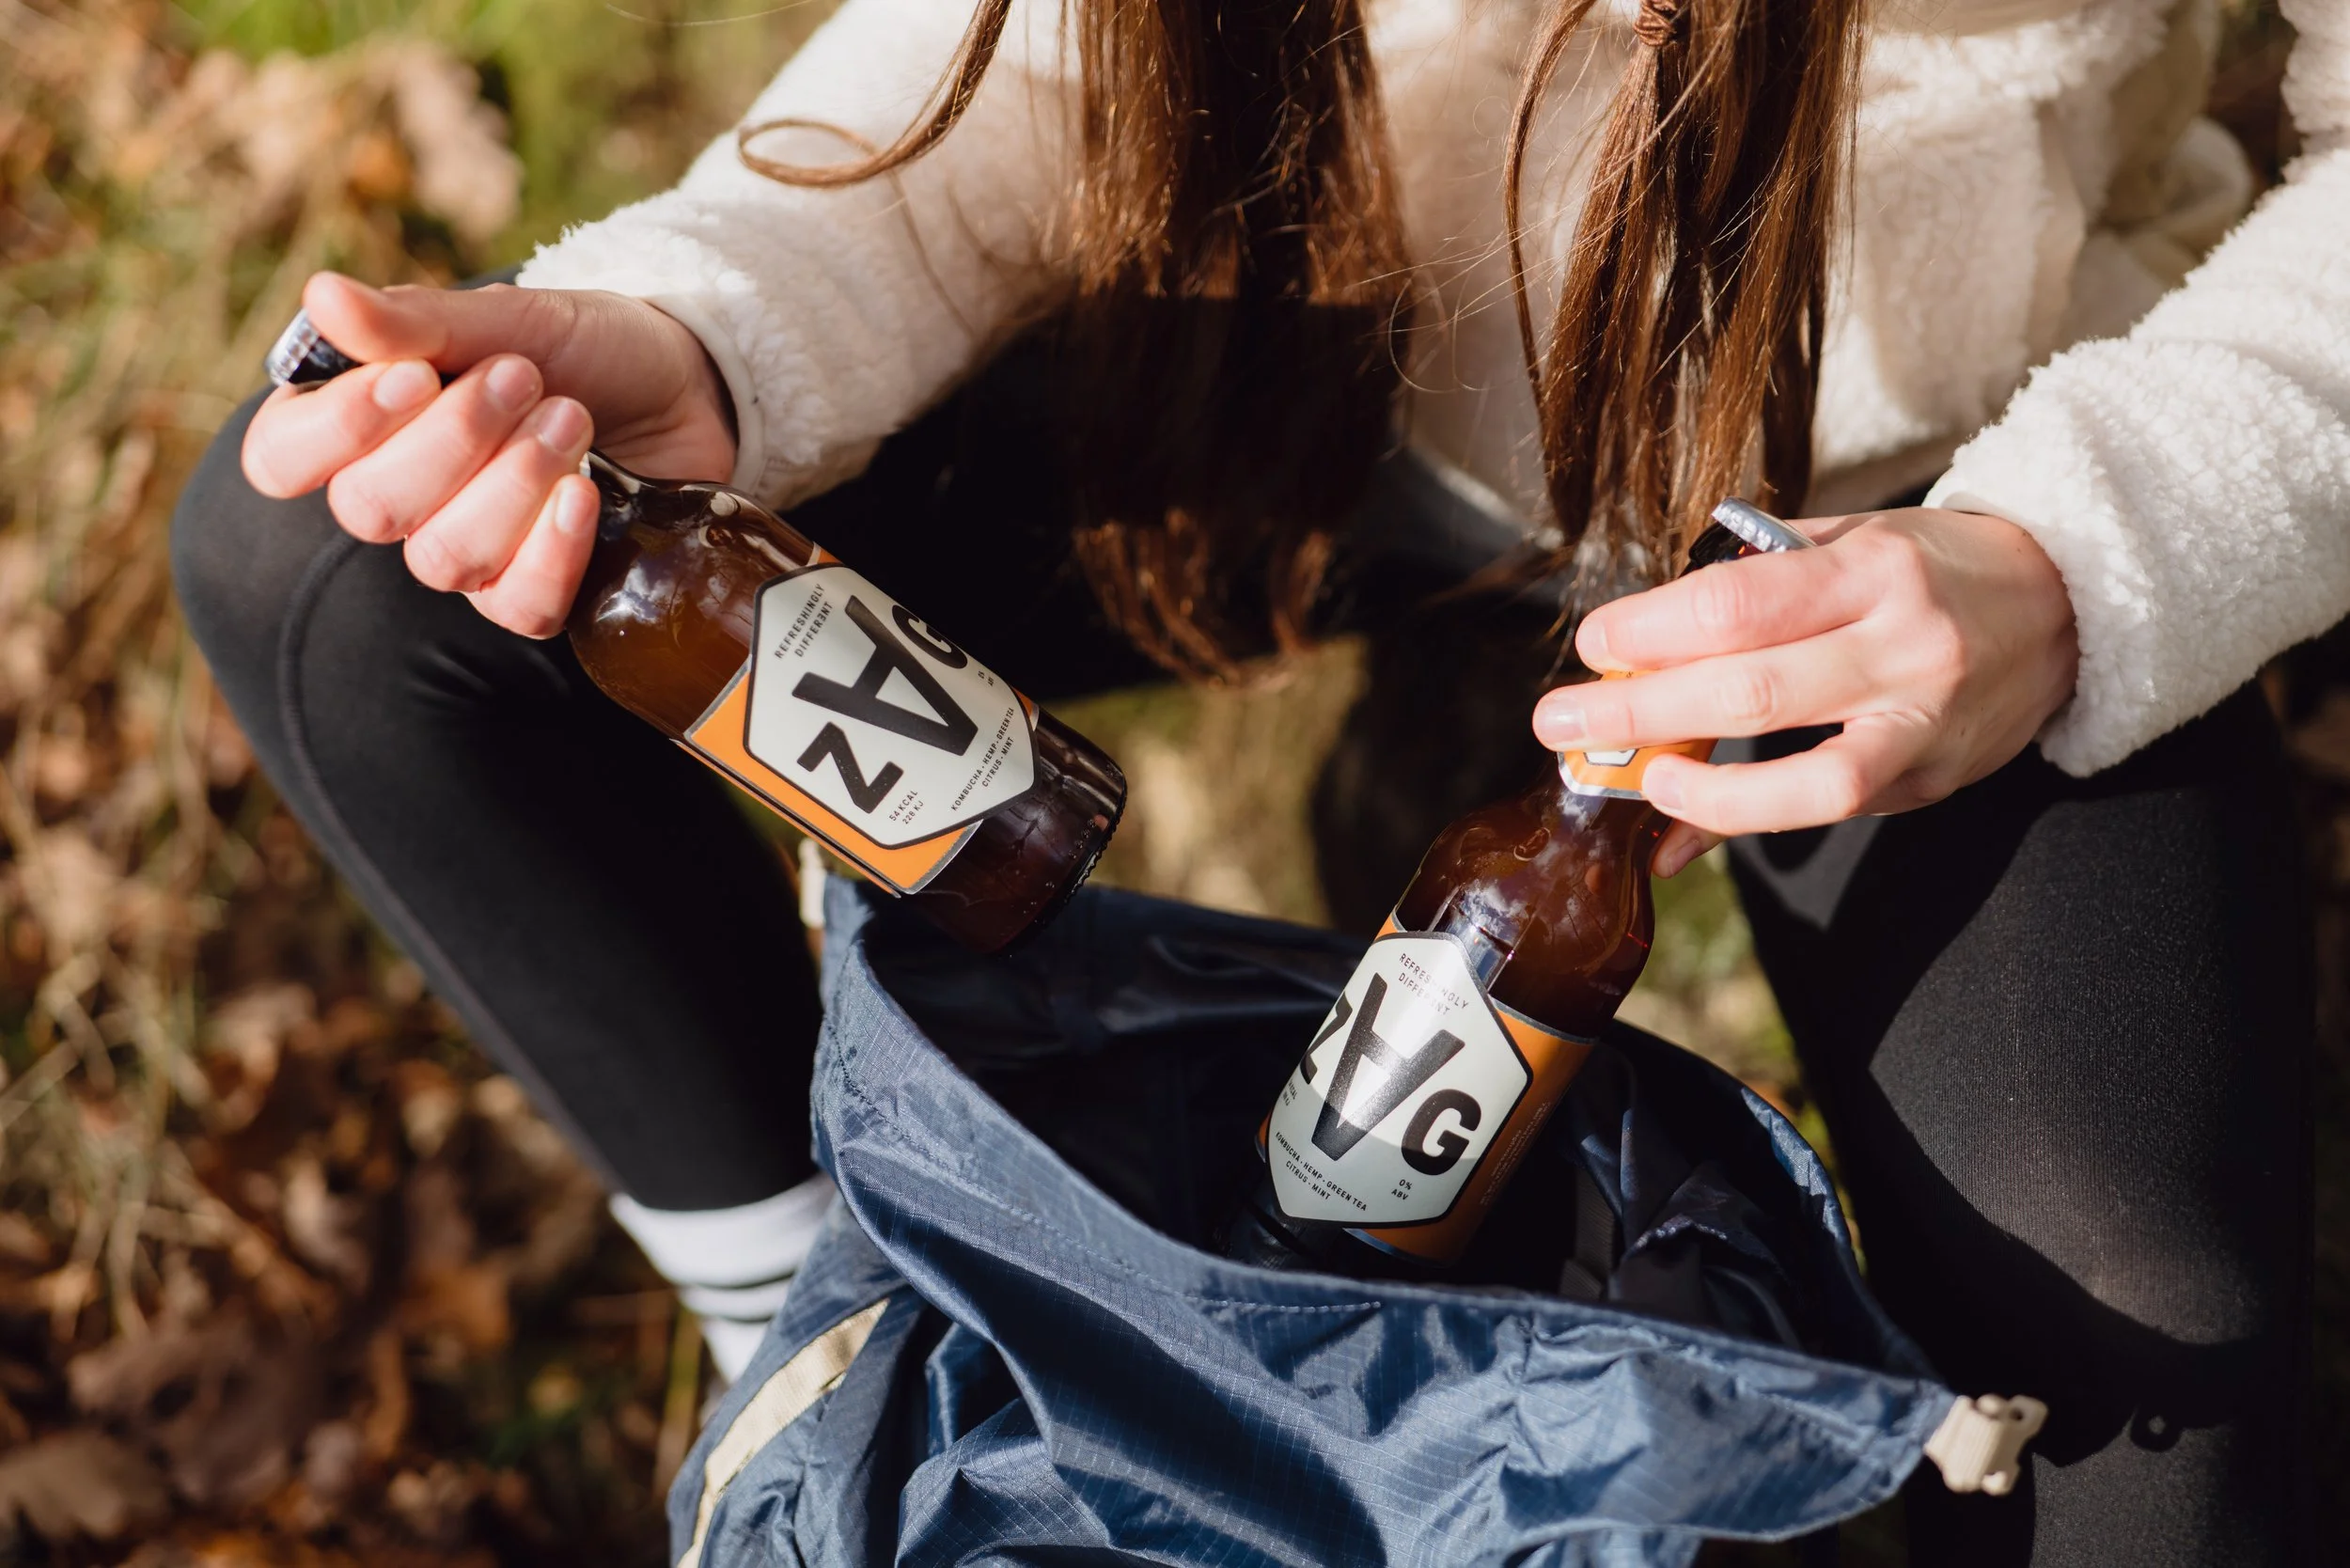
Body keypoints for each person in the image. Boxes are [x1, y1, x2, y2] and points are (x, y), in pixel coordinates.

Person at [170, 0, 2344, 1558]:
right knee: (341, 570)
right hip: (1290, 370)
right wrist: (709, 323)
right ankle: (839, 1320)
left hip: (1911, 515)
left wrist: (2069, 559)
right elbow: (1029, 58)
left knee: (2139, 1352)